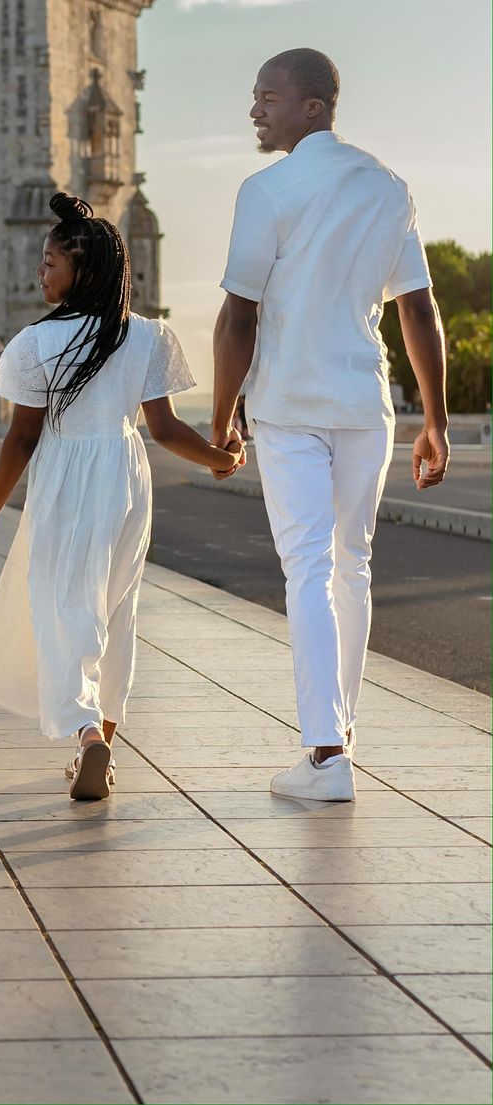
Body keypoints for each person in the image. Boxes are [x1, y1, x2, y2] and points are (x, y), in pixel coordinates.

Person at [0, 192, 244, 802]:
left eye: (50, 262)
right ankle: (102, 744)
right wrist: (222, 459)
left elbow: (22, 437)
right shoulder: (149, 335)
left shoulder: (36, 342)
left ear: (80, 271)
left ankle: (85, 732)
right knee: (114, 607)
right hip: (126, 476)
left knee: (63, 605)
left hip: (65, 475)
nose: (40, 272)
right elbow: (164, 428)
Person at [212, 49, 449, 802]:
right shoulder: (388, 186)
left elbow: (238, 314)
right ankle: (338, 740)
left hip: (290, 404)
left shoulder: (266, 190)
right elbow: (417, 308)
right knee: (352, 566)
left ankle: (323, 756)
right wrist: (435, 419)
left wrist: (220, 418)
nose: (255, 110)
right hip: (364, 402)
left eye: (268, 97)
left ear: (312, 106)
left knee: (310, 568)